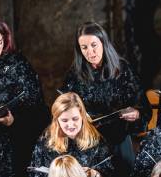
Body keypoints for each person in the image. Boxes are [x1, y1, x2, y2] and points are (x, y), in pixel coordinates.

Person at [61, 21, 149, 163]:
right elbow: (64, 108)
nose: (90, 52)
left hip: (119, 140)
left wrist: (137, 113)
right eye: (84, 47)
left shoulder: (123, 68)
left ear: (103, 43)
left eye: (94, 45)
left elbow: (143, 106)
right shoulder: (74, 74)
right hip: (88, 142)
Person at [0, 17, 48, 171]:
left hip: (15, 142)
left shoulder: (18, 64)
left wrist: (13, 121)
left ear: (4, 39)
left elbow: (38, 110)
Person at [29, 93, 113, 177]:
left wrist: (96, 175)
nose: (71, 125)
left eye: (75, 119)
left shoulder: (96, 140)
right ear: (57, 120)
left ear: (82, 116)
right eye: (64, 120)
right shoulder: (46, 143)